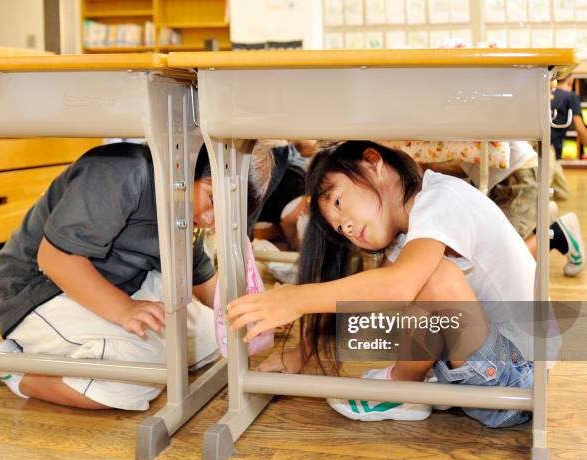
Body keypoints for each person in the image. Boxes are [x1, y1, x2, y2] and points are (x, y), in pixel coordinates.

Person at [226, 140, 542, 428]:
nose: (346, 226)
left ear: (373, 162)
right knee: (406, 285)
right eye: (339, 228)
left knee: (431, 277)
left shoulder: (440, 198)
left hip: (516, 377)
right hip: (489, 370)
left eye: (338, 201)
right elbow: (364, 305)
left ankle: (404, 389)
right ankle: (412, 382)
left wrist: (296, 299)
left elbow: (398, 286)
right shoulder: (408, 236)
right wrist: (299, 353)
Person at [0, 141, 272, 410]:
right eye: (211, 199)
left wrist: (246, 312)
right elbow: (56, 259)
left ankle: (79, 351)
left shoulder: (188, 207)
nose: (211, 219)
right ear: (186, 166)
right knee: (139, 378)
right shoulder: (120, 169)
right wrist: (124, 309)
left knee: (214, 336)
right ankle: (15, 369)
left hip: (123, 288)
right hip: (45, 290)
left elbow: (198, 275)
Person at [422, 141, 585, 277]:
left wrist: (429, 162)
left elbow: (462, 157)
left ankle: (556, 233)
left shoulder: (460, 111)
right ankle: (545, 218)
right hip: (502, 180)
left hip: (518, 176)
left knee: (506, 258)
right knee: (495, 253)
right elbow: (465, 161)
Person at [550, 72, 587, 199]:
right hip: (551, 149)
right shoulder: (570, 96)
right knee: (541, 190)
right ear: (570, 80)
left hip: (541, 145)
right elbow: (580, 128)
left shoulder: (549, 94)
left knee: (562, 193)